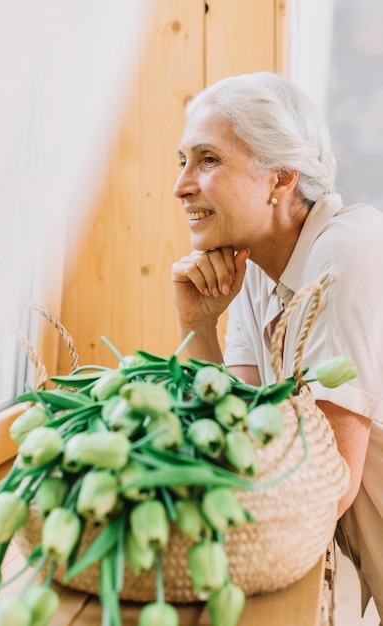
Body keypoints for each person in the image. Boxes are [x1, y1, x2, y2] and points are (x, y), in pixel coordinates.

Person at [171, 71, 383, 622]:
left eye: (208, 160)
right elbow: (237, 437)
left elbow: (325, 489)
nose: (182, 184)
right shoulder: (257, 264)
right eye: (182, 161)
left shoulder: (346, 255)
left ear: (280, 179)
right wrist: (198, 326)